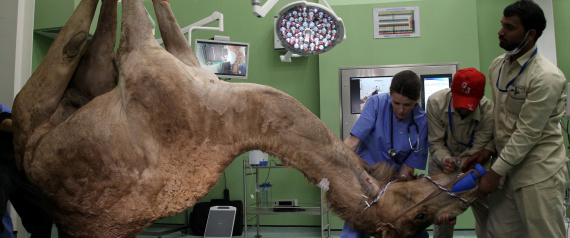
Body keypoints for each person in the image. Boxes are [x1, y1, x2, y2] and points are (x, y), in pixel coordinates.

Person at [478, 1, 568, 237]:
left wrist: (494, 173)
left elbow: (527, 132)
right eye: (502, 25)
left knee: (543, 234)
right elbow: (498, 117)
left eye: (509, 27)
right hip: (505, 169)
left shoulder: (546, 77)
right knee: (498, 232)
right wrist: (488, 148)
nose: (500, 31)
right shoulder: (497, 66)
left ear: (530, 34)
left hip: (537, 172)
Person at [342, 70, 429, 238]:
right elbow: (353, 141)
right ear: (390, 94)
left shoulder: (422, 121)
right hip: (365, 178)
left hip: (395, 183)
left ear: (416, 99)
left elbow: (408, 168)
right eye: (396, 103)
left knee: (413, 231)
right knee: (354, 230)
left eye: (408, 105)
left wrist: (395, 194)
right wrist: (334, 163)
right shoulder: (376, 103)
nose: (401, 109)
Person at [426, 68, 494, 238]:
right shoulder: (435, 102)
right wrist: (446, 160)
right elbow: (435, 143)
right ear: (451, 89)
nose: (464, 110)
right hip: (442, 163)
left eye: (469, 104)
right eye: (460, 103)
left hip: (475, 163)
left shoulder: (489, 111)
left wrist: (459, 163)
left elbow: (479, 147)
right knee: (443, 217)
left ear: (481, 96)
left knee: (487, 211)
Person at [0, 105, 54, 238]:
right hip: (2, 170)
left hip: (17, 169)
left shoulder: (8, 110)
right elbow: (6, 124)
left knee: (44, 215)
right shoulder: (6, 116)